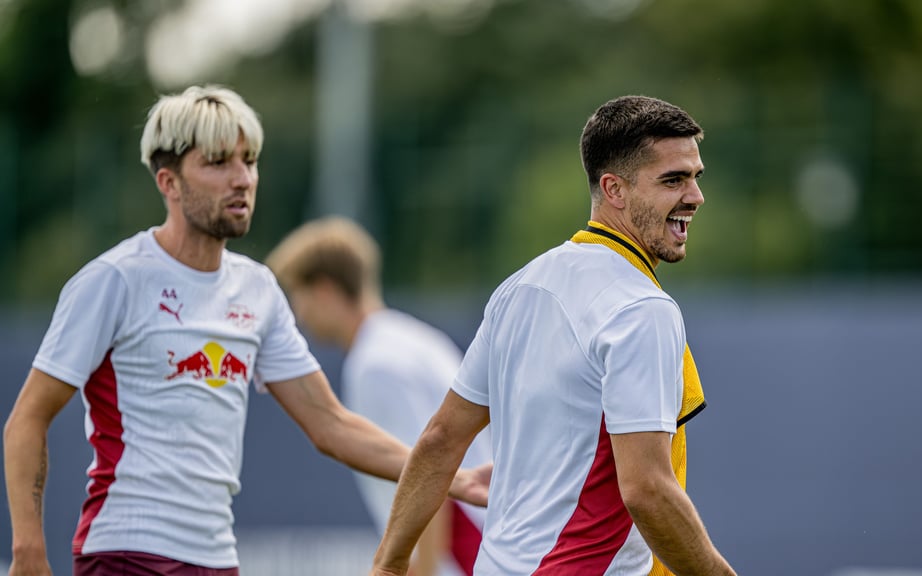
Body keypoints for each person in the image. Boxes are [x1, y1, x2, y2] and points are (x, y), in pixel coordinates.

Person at [2, 85, 488, 576]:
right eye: (217, 163)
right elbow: (27, 418)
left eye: (249, 160)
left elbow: (332, 426)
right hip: (127, 554)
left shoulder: (257, 289)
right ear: (168, 182)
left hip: (217, 559)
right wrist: (27, 551)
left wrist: (454, 478)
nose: (242, 179)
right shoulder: (115, 280)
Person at [371, 95, 736, 576]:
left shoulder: (519, 287)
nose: (695, 196)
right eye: (673, 179)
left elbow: (441, 438)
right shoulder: (641, 308)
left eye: (695, 177)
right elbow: (647, 490)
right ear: (614, 189)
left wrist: (389, 563)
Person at [265, 216, 490, 576]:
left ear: (323, 290)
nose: (299, 315)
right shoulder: (412, 338)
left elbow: (431, 467)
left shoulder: (376, 364)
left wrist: (424, 570)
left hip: (459, 558)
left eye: (298, 297)